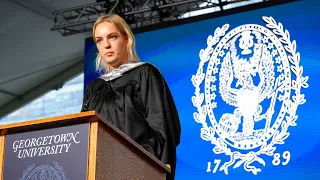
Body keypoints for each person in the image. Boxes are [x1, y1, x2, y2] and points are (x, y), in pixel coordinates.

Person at [81, 14, 181, 180]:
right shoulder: (94, 88)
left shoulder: (145, 74)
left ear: (126, 39)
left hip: (137, 171)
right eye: (99, 40)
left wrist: (131, 163)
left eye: (112, 37)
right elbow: (86, 137)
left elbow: (163, 131)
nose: (106, 45)